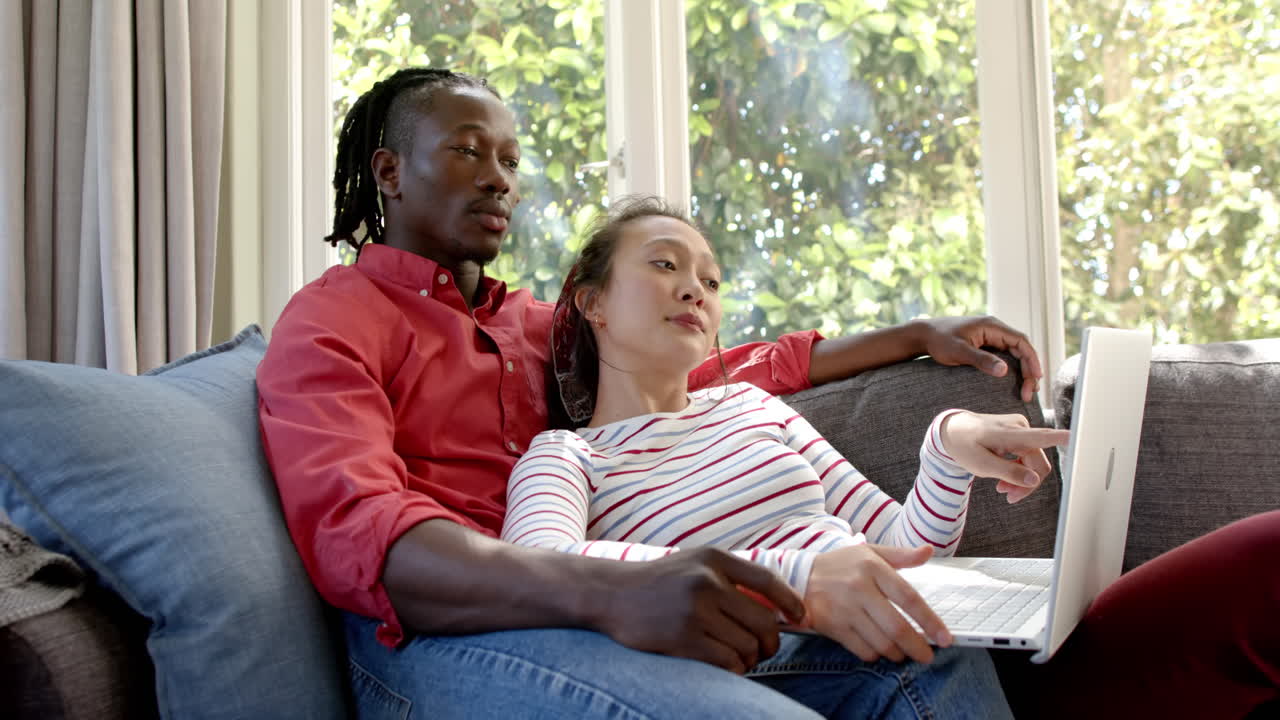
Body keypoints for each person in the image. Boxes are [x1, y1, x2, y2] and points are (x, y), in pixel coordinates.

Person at [254, 66, 1278, 718]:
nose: (498, 178)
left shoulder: (536, 329)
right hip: (449, 629)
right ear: (386, 170)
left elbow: (710, 377)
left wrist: (919, 349)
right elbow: (366, 541)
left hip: (609, 600)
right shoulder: (332, 323)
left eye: (511, 159)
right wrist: (640, 587)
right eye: (468, 151)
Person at [500, 195, 1070, 681]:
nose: (695, 289)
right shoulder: (566, 456)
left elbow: (908, 548)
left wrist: (946, 447)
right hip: (759, 657)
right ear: (594, 302)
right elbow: (538, 566)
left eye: (710, 279)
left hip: (863, 632)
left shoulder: (751, 407)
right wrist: (797, 579)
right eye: (665, 265)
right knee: (927, 655)